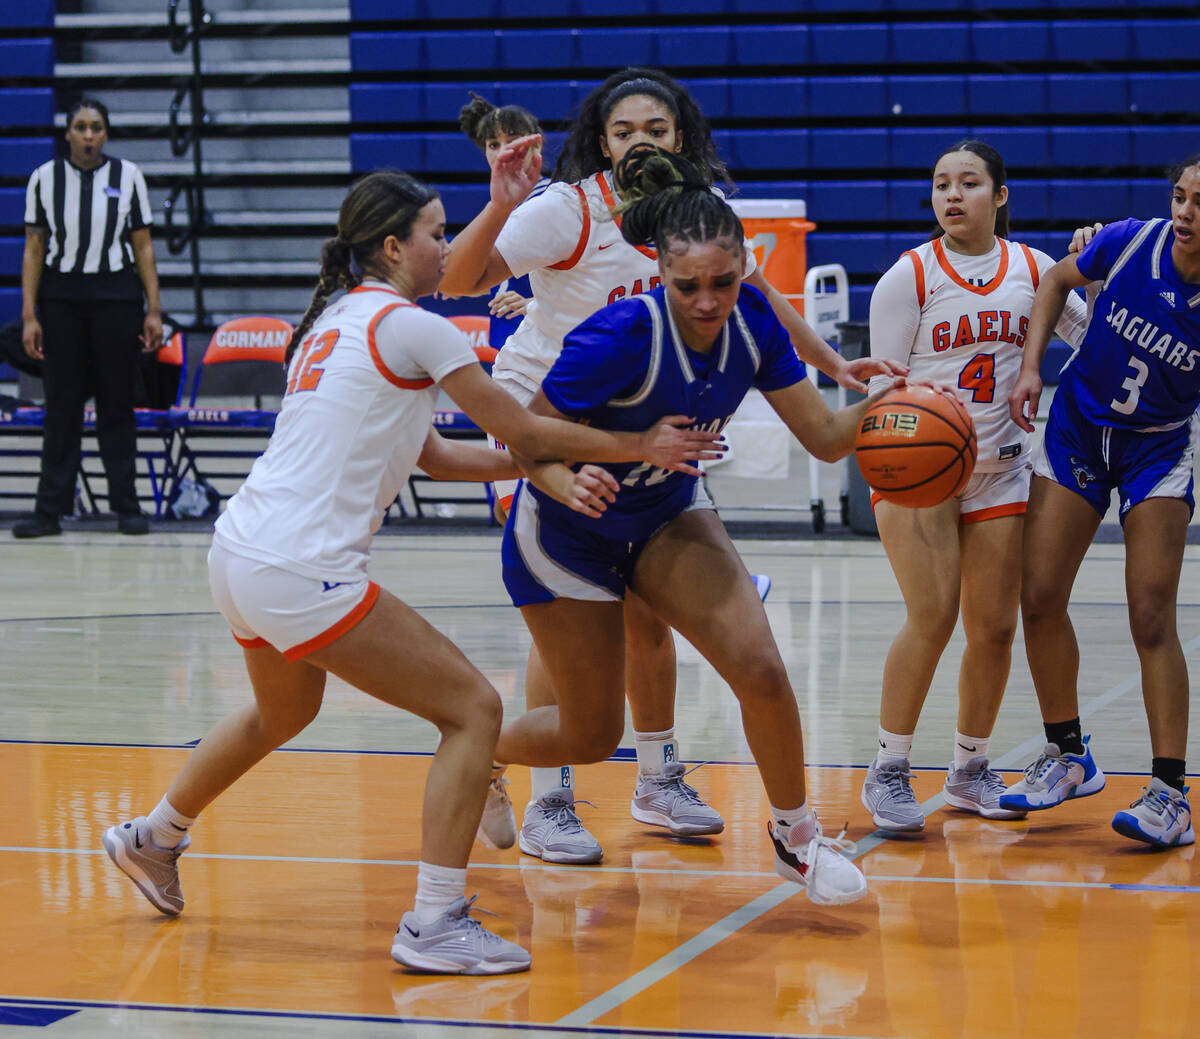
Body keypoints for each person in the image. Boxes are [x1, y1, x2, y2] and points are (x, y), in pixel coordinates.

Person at [98, 165, 724, 975]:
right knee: (472, 708)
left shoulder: (335, 319)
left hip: (240, 553)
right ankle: (435, 920)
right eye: (437, 232)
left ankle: (153, 836)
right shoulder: (413, 326)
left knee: (280, 712)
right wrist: (637, 446)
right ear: (395, 246)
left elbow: (434, 452)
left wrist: (539, 472)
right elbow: (519, 426)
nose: (451, 245)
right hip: (300, 567)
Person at [442, 67, 907, 864]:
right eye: (624, 132)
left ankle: (657, 776)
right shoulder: (567, 208)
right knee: (572, 625)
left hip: (649, 422)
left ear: (679, 137)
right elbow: (456, 279)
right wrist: (500, 202)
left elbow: (757, 297)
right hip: (546, 424)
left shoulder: (699, 215)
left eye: (655, 130)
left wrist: (834, 362)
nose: (640, 144)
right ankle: (548, 792)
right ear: (602, 141)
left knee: (650, 613)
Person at [859, 140, 1092, 831]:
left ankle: (969, 768)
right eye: (940, 184)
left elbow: (1093, 339)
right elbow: (880, 391)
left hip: (1002, 469)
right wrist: (906, 460)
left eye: (968, 183)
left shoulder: (1035, 268)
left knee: (992, 629)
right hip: (918, 470)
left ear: (1001, 194)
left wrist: (1101, 275)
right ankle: (889, 769)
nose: (952, 195)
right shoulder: (910, 277)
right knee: (931, 617)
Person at [998, 155, 1200, 849]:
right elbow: (1056, 278)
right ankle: (1068, 754)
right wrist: (1031, 367)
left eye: (1199, 203)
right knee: (1040, 594)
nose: (1184, 213)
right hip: (1080, 426)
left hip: (1156, 449)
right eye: (1179, 196)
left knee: (1150, 614)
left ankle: (1171, 794)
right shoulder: (1130, 240)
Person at [15, 98, 163, 538]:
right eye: (80, 127)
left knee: (117, 404)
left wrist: (154, 309)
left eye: (96, 127)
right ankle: (49, 512)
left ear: (106, 134)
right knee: (61, 406)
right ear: (67, 133)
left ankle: (127, 507)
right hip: (61, 301)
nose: (87, 135)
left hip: (117, 299)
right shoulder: (44, 179)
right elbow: (34, 249)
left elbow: (143, 247)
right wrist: (29, 314)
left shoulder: (129, 176)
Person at [457, 91, 546, 350]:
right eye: (494, 144)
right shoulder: (499, 205)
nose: (503, 151)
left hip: (543, 333)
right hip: (506, 329)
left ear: (536, 145)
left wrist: (534, 302)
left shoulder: (553, 198)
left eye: (513, 140)